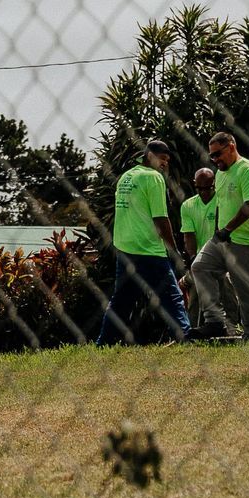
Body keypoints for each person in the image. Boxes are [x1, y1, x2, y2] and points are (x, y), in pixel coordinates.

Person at [95, 140, 189, 345]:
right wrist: (173, 249)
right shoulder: (154, 178)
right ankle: (185, 335)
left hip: (125, 248)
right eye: (161, 159)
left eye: (167, 161)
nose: (164, 164)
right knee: (171, 296)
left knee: (121, 301)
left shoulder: (126, 177)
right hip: (148, 248)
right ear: (149, 156)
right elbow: (160, 218)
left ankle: (105, 342)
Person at [191, 131, 249, 340]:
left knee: (246, 289)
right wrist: (219, 231)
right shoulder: (221, 174)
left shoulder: (248, 170)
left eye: (218, 154)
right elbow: (220, 207)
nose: (215, 160)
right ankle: (215, 322)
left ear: (232, 147)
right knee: (200, 266)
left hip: (246, 239)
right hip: (223, 238)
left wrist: (227, 230)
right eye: (212, 157)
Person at [179, 167, 215, 264]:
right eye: (199, 188)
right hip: (201, 257)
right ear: (195, 184)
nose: (203, 192)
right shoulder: (187, 206)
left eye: (207, 188)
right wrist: (193, 257)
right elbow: (189, 234)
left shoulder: (222, 201)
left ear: (214, 183)